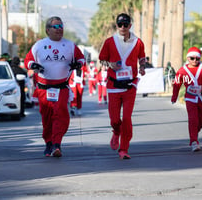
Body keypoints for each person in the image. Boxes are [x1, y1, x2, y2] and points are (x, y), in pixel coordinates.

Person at [24, 16, 85, 157]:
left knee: (61, 115)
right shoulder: (39, 45)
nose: (59, 29)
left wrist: (78, 64)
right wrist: (33, 65)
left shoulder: (70, 45)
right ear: (48, 30)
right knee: (47, 117)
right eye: (56, 27)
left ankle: (57, 144)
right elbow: (28, 60)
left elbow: (81, 58)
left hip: (62, 87)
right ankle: (48, 143)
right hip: (44, 89)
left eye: (61, 26)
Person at [98, 13, 146, 159]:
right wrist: (110, 64)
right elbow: (102, 60)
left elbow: (142, 58)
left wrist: (142, 67)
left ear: (130, 25)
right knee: (114, 120)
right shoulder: (109, 42)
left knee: (126, 118)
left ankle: (124, 149)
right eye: (120, 24)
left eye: (126, 24)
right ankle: (116, 132)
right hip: (113, 85)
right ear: (117, 25)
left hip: (130, 85)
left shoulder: (138, 42)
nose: (123, 27)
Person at [171, 47, 202, 152]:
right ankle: (194, 141)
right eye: (192, 58)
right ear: (188, 58)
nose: (194, 61)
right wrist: (174, 96)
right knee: (193, 119)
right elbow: (177, 84)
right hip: (190, 98)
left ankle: (194, 130)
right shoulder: (182, 71)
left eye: (197, 58)